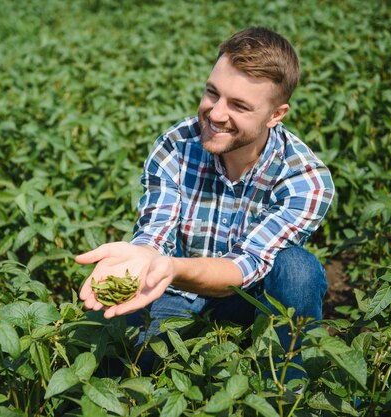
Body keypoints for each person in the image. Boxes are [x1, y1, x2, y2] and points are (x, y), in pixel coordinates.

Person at [76, 27, 335, 380]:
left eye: (239, 106)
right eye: (213, 93)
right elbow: (156, 234)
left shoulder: (304, 179)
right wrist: (145, 258)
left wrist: (171, 267)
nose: (215, 114)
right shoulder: (176, 146)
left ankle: (286, 387)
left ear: (276, 115)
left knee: (297, 270)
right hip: (178, 292)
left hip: (254, 297)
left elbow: (247, 266)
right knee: (116, 352)